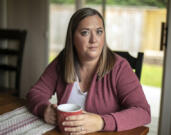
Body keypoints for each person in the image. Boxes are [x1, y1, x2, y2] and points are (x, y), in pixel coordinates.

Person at [27, 7, 151, 135]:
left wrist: (102, 122)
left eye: (99, 32)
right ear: (72, 38)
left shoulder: (120, 67)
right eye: (85, 32)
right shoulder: (62, 61)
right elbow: (36, 92)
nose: (94, 40)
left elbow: (143, 112)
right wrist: (44, 109)